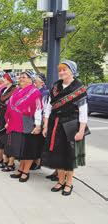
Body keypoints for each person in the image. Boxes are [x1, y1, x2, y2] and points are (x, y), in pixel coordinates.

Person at [42, 60, 88, 196]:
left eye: (64, 70)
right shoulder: (56, 86)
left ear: (72, 71)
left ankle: (69, 183)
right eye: (60, 70)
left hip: (71, 125)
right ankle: (60, 181)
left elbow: (83, 112)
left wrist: (81, 131)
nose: (61, 72)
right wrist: (45, 125)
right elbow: (49, 107)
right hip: (55, 124)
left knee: (69, 155)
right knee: (57, 154)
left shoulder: (79, 88)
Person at [5, 71, 43, 183]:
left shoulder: (35, 92)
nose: (21, 78)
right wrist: (9, 121)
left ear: (30, 80)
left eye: (24, 77)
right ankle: (21, 168)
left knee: (28, 149)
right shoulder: (17, 91)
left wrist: (38, 124)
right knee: (21, 148)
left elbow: (38, 109)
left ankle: (26, 171)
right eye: (20, 77)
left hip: (28, 122)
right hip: (16, 123)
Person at [0, 73, 18, 170]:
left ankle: (11, 163)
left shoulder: (15, 90)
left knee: (9, 140)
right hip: (1, 116)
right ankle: (5, 160)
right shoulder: (3, 90)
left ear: (10, 80)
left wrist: (9, 120)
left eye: (5, 78)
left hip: (9, 117)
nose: (3, 80)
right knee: (2, 139)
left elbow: (13, 106)